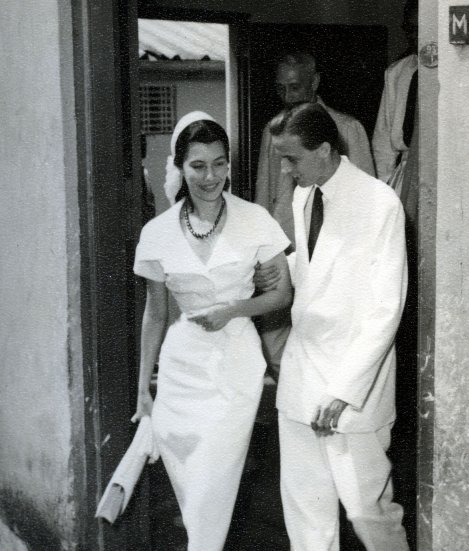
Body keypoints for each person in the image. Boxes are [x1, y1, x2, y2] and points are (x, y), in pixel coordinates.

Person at [131, 111, 292, 551]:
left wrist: (235, 309)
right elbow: (155, 316)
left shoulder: (254, 219)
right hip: (183, 369)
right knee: (191, 485)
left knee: (211, 480)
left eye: (219, 163)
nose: (211, 176)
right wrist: (144, 387)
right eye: (198, 165)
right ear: (180, 167)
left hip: (235, 365)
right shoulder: (158, 233)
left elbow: (281, 296)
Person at [268, 102, 409, 551]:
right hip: (302, 373)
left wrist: (344, 389)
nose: (285, 171)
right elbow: (317, 269)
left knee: (368, 513)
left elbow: (387, 308)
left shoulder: (379, 203)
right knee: (308, 517)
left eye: (292, 158)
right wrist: (283, 269)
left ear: (325, 149)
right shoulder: (303, 194)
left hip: (351, 385)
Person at [254, 51, 375, 248]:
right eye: (280, 88)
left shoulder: (347, 128)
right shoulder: (272, 131)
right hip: (282, 244)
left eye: (294, 87)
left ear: (315, 82)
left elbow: (366, 200)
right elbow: (264, 191)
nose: (287, 97)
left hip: (332, 243)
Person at [372, 0, 418, 192]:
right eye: (411, 29)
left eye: (422, 28)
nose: (416, 36)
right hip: (405, 173)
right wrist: (384, 187)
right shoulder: (397, 72)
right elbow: (383, 141)